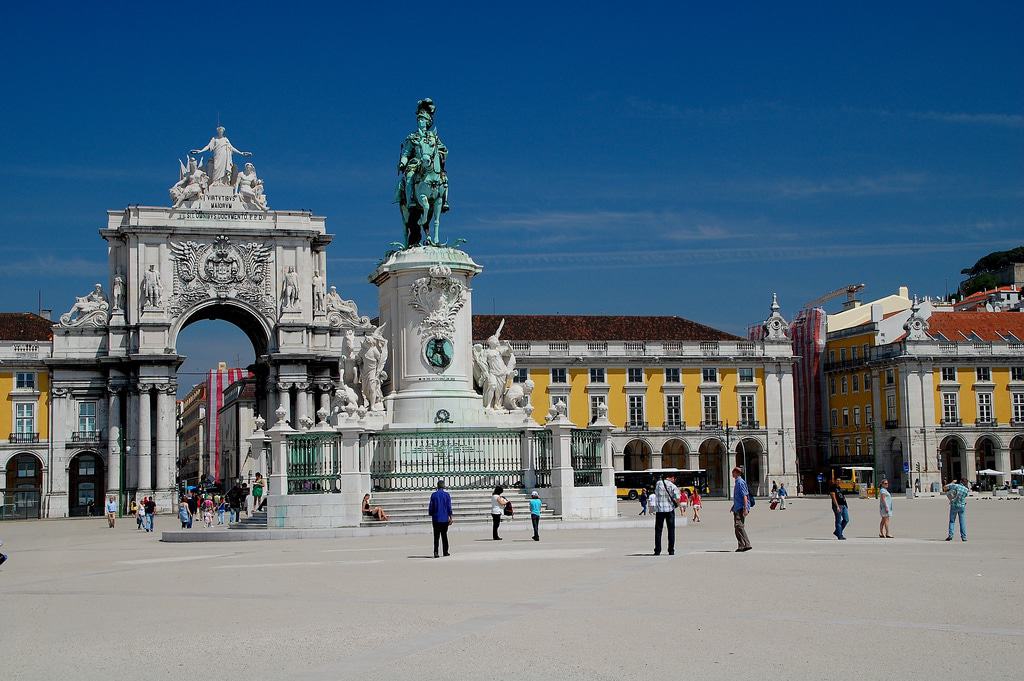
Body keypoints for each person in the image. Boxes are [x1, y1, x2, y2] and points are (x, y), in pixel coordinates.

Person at [652, 473, 681, 556]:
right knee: (671, 530)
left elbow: (656, 494)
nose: (674, 481)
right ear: (672, 477)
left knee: (658, 530)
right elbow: (678, 497)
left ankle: (657, 550)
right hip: (669, 510)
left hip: (659, 510)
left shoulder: (658, 483)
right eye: (674, 479)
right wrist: (677, 505)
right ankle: (671, 550)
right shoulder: (672, 486)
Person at [428, 479, 453, 558]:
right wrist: (450, 517)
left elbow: (431, 506)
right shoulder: (447, 495)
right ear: (444, 486)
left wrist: (431, 513)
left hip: (436, 518)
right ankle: (445, 551)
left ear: (437, 486)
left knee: (436, 536)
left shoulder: (434, 495)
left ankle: (436, 552)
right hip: (444, 518)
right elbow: (449, 507)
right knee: (444, 535)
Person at [732, 467, 752, 552]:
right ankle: (741, 546)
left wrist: (745, 508)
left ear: (736, 473)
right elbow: (738, 497)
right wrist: (733, 506)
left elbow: (745, 496)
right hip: (737, 508)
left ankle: (747, 544)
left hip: (741, 508)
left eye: (733, 473)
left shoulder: (740, 482)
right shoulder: (737, 482)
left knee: (739, 526)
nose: (732, 474)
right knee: (737, 528)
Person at [944, 477, 969, 542]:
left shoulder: (956, 486)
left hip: (954, 505)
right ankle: (964, 537)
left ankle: (950, 535)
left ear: (960, 481)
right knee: (962, 522)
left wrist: (952, 482)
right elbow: (964, 497)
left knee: (952, 521)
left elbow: (946, 487)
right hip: (962, 506)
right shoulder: (966, 490)